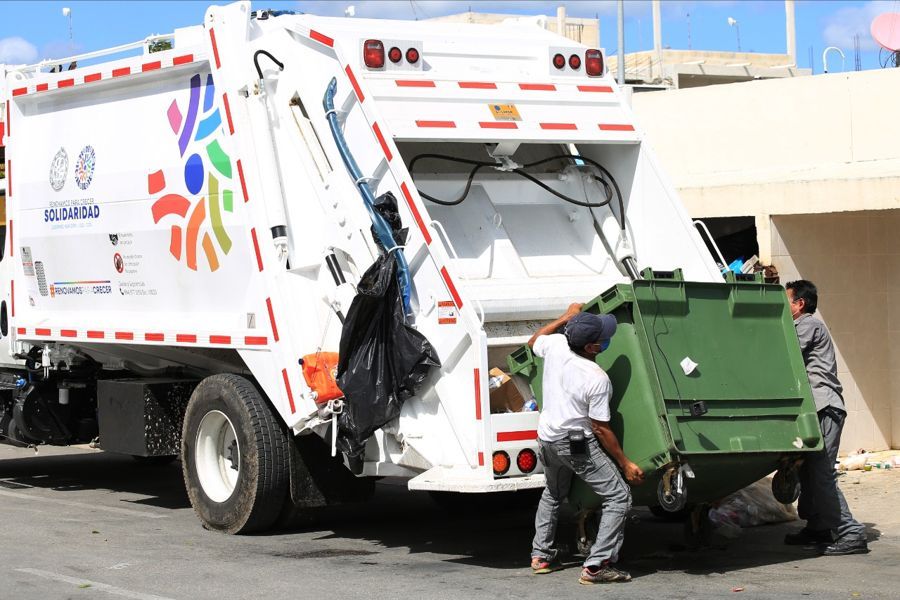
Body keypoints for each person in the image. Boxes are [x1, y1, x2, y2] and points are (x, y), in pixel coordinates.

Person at [528, 303, 645, 585]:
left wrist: (564, 318)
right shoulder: (596, 378)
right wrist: (625, 463)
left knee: (553, 493)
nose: (607, 339)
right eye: (604, 338)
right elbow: (600, 428)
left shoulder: (555, 345)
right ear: (593, 348)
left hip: (546, 438)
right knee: (619, 496)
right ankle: (596, 566)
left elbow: (533, 341)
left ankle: (541, 556)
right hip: (574, 443)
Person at [784, 280, 868, 555]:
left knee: (822, 474)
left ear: (800, 304)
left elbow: (785, 352)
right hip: (818, 409)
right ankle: (819, 527)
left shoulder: (808, 324)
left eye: (786, 301)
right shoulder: (802, 324)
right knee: (809, 471)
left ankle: (850, 532)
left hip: (825, 407)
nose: (783, 307)